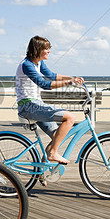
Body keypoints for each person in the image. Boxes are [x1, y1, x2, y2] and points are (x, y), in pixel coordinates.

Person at [15, 36, 84, 165]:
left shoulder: (38, 63)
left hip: (35, 104)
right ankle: (52, 154)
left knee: (56, 136)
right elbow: (44, 84)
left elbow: (51, 75)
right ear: (37, 50)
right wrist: (69, 82)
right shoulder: (27, 65)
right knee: (70, 118)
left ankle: (42, 171)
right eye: (46, 49)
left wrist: (72, 78)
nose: (49, 51)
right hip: (28, 106)